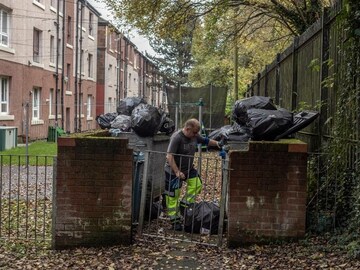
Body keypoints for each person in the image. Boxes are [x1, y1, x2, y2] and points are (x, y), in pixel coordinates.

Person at [164, 118, 222, 231]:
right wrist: (177, 172)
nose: (196, 135)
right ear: (187, 129)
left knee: (197, 184)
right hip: (173, 170)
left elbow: (206, 141)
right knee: (173, 196)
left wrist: (218, 144)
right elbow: (169, 156)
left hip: (189, 169)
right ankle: (175, 220)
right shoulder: (177, 137)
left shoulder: (194, 136)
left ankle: (185, 204)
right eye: (194, 132)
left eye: (197, 133)